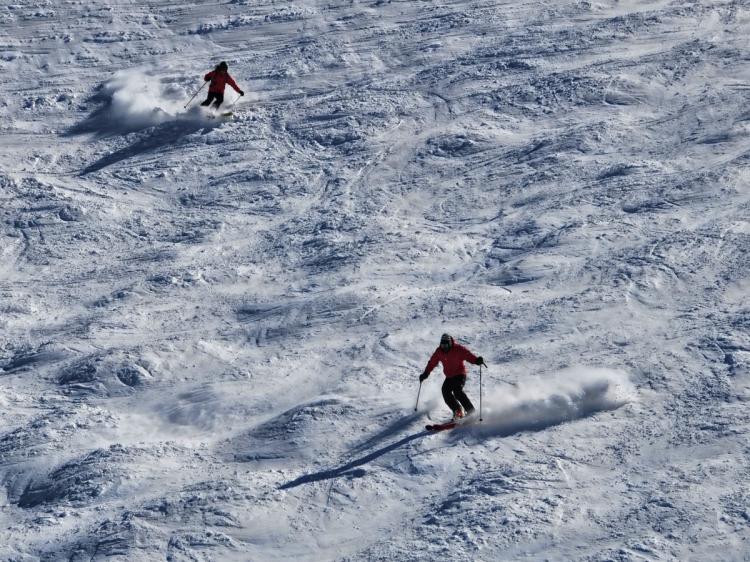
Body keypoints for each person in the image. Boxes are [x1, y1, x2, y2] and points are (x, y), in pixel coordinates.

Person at [419, 333, 484, 420]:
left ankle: (471, 411)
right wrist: (426, 373)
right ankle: (457, 410)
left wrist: (476, 360)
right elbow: (432, 362)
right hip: (449, 376)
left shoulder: (458, 349)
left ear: (450, 343)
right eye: (442, 345)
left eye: (446, 345)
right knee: (445, 391)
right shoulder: (439, 351)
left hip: (460, 374)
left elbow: (468, 355)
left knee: (457, 391)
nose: (444, 347)